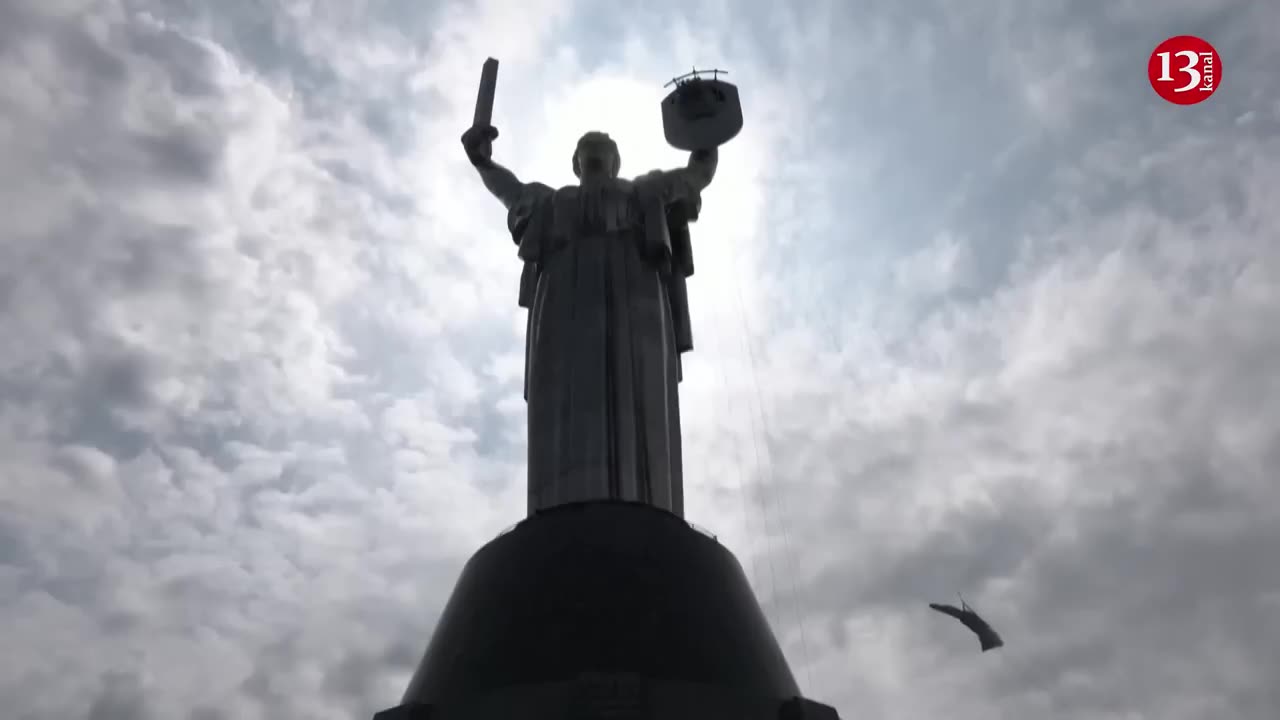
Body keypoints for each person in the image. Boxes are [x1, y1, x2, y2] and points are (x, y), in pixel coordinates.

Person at [460, 124, 718, 517]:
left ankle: (643, 502)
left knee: (638, 393)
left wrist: (706, 128)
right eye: (587, 148)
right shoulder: (550, 202)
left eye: (604, 148)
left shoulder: (644, 192)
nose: (595, 152)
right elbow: (510, 190)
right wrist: (483, 163)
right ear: (576, 164)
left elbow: (696, 175)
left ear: (616, 162)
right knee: (565, 401)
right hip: (564, 304)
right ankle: (560, 508)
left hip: (635, 298)